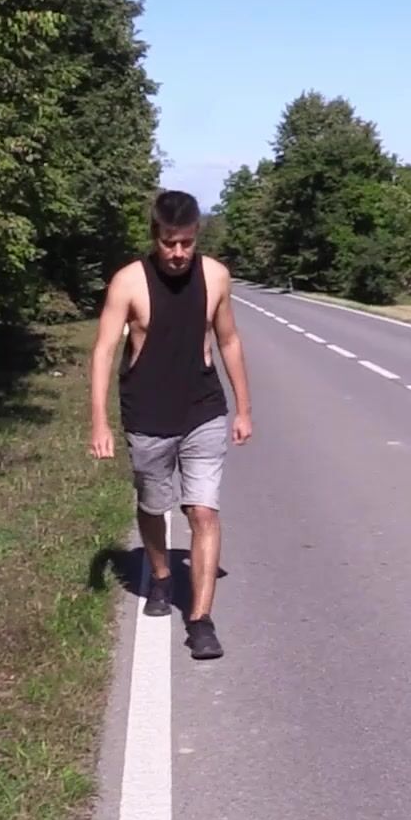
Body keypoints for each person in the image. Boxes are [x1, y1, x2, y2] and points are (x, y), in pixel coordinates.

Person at [89, 190, 253, 660]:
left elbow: (229, 340)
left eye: (186, 242)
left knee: (203, 511)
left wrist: (243, 408)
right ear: (154, 236)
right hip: (147, 415)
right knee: (153, 504)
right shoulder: (128, 282)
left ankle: (200, 620)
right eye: (169, 242)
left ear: (197, 235)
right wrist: (99, 422)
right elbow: (103, 350)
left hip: (203, 409)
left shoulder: (216, 276)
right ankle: (161, 575)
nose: (178, 253)